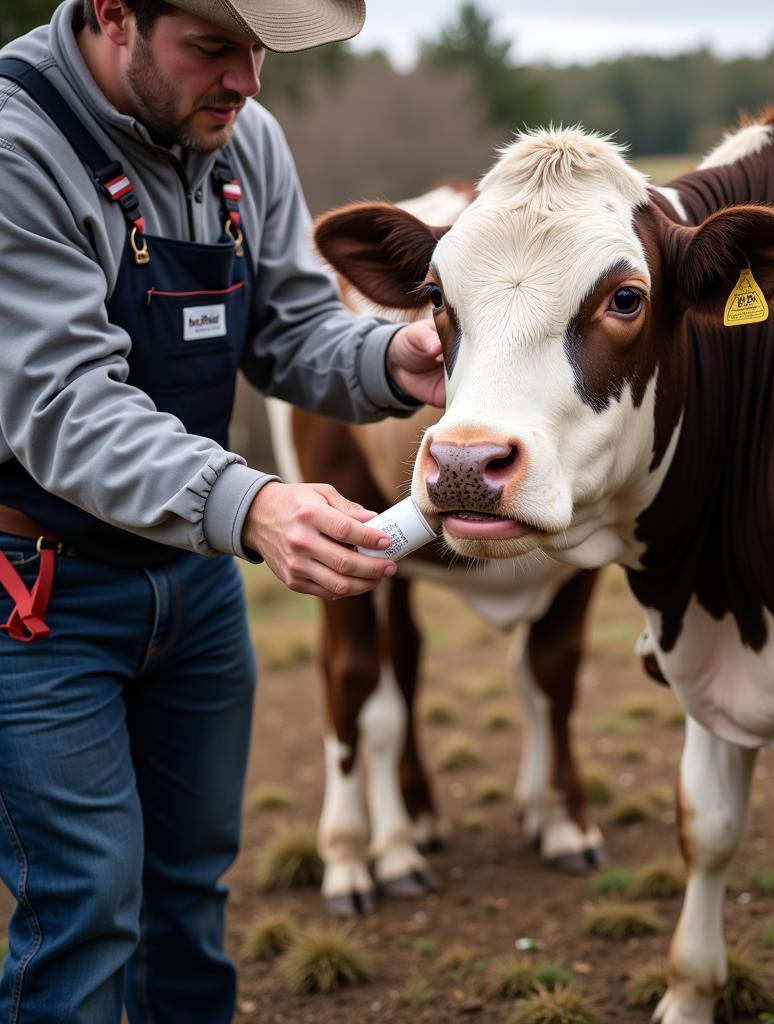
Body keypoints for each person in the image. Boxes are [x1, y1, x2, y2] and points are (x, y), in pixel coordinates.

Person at [0, 0, 445, 1020]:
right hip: (38, 597)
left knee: (190, 895)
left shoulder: (245, 138)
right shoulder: (18, 148)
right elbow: (64, 405)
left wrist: (389, 357)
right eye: (212, 49)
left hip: (193, 586)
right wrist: (251, 507)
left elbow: (289, 329)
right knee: (85, 908)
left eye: (259, 52)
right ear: (115, 14)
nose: (248, 82)